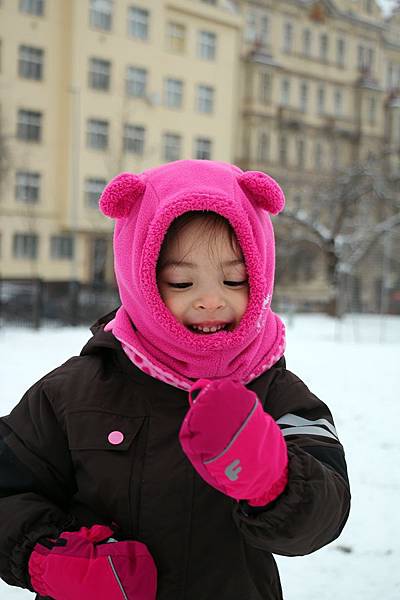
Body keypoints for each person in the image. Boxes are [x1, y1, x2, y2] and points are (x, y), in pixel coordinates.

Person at [0, 159, 350, 600]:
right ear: (140, 278)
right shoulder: (73, 392)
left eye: (234, 278)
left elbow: (326, 513)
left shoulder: (278, 395)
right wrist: (47, 558)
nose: (210, 299)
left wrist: (275, 480)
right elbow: (8, 490)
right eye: (181, 282)